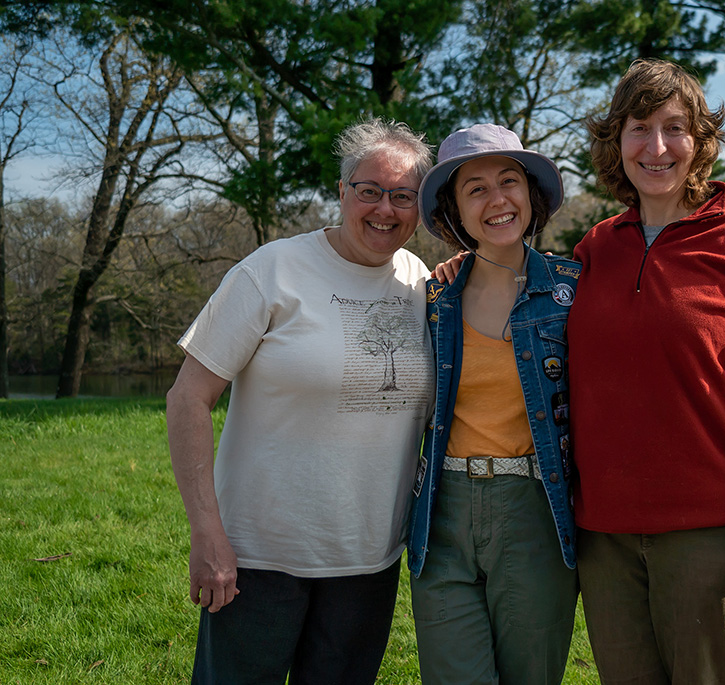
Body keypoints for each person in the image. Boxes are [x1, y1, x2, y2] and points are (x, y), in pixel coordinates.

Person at [165, 117, 435, 684]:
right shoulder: (272, 271)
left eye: (403, 196)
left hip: (369, 563)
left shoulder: (421, 283)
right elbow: (188, 398)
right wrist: (206, 532)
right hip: (256, 561)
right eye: (369, 191)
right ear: (342, 192)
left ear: (420, 207)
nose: (384, 209)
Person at [568, 58, 725, 683]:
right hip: (604, 537)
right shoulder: (595, 249)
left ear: (700, 141)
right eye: (638, 127)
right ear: (614, 140)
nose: (656, 147)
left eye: (674, 128)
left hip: (709, 535)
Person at [407, 123, 580, 684]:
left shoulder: (572, 291)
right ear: (457, 210)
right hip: (443, 510)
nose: (497, 199)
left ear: (531, 194)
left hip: (534, 509)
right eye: (475, 188)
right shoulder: (435, 298)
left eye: (509, 181)